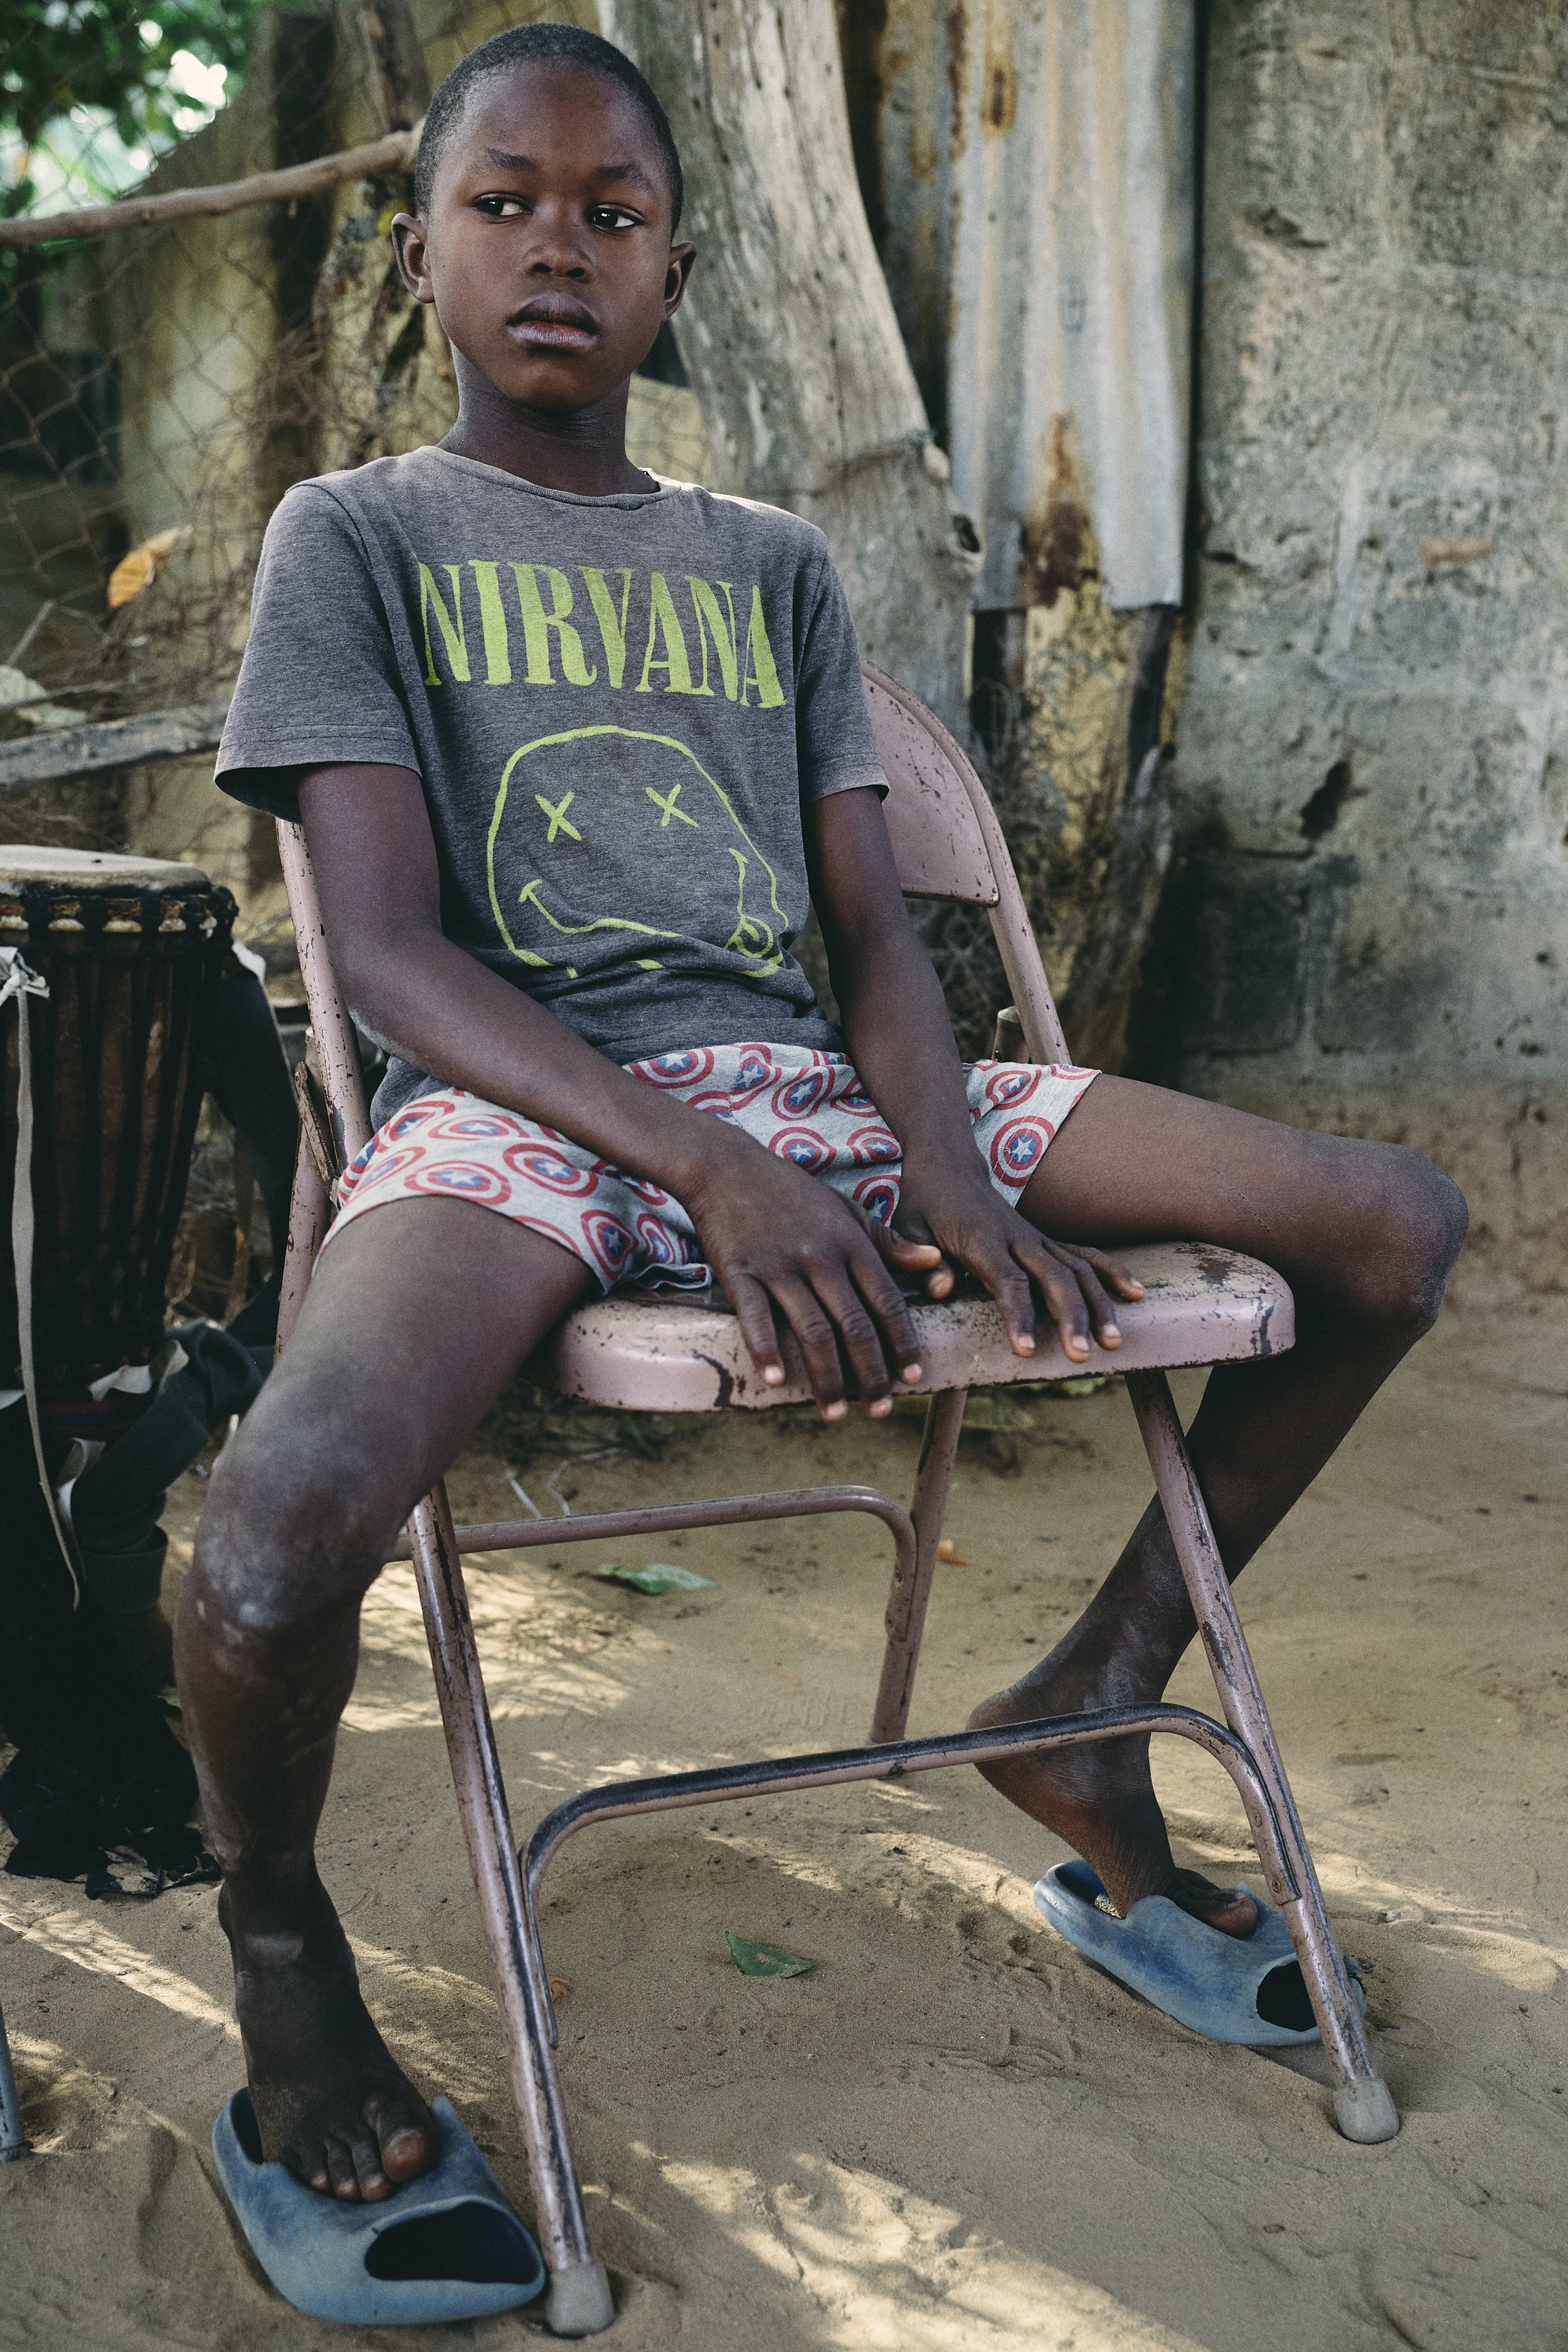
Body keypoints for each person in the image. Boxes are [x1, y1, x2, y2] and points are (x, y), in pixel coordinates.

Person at [177, 23, 1467, 2205]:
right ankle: (286, 1954)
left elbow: (875, 943)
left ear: (678, 272)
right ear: (418, 257)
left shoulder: (765, 562)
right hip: (518, 1108)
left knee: (1387, 1224)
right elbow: (386, 958)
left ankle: (1087, 1705)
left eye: (614, 212)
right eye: (504, 204)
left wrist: (948, 1178)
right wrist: (707, 1165)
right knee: (278, 1530)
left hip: (821, 1090)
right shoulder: (357, 534)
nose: (558, 249)